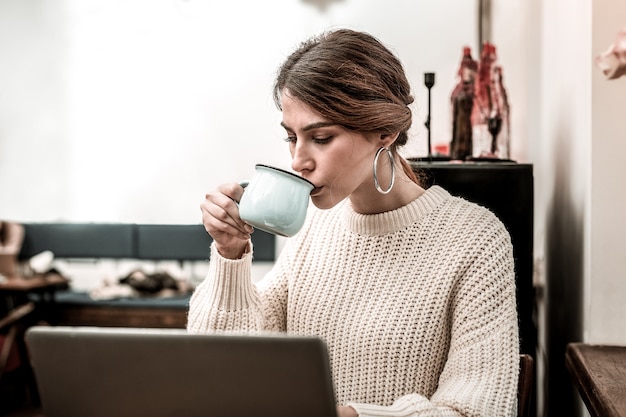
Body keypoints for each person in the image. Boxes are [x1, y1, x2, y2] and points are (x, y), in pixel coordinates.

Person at [188, 29, 520, 417]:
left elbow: (478, 411)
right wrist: (230, 255)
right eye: (292, 138)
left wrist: (353, 415)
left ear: (385, 131)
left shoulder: (475, 239)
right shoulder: (312, 227)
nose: (298, 161)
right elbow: (224, 366)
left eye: (322, 137)